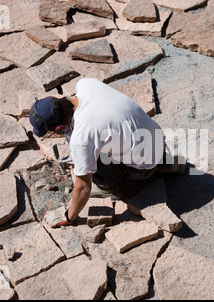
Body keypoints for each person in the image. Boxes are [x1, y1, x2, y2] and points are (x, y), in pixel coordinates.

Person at [29, 78, 182, 228]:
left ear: (59, 128)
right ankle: (161, 163)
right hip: (158, 142)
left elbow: (83, 187)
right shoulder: (86, 84)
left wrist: (68, 216)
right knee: (106, 139)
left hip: (142, 169)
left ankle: (112, 189)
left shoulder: (81, 137)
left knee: (87, 167)